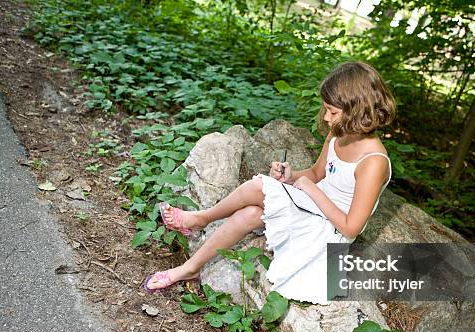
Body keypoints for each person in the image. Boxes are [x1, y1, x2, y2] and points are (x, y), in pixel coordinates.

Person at [143, 60, 395, 305]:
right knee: (251, 214)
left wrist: (309, 190)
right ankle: (190, 268)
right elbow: (317, 174)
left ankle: (200, 219)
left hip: (330, 231)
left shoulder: (373, 162)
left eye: (333, 112)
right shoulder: (339, 133)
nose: (327, 118)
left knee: (258, 186)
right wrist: (292, 175)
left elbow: (351, 228)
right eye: (326, 109)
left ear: (357, 109)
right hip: (310, 208)